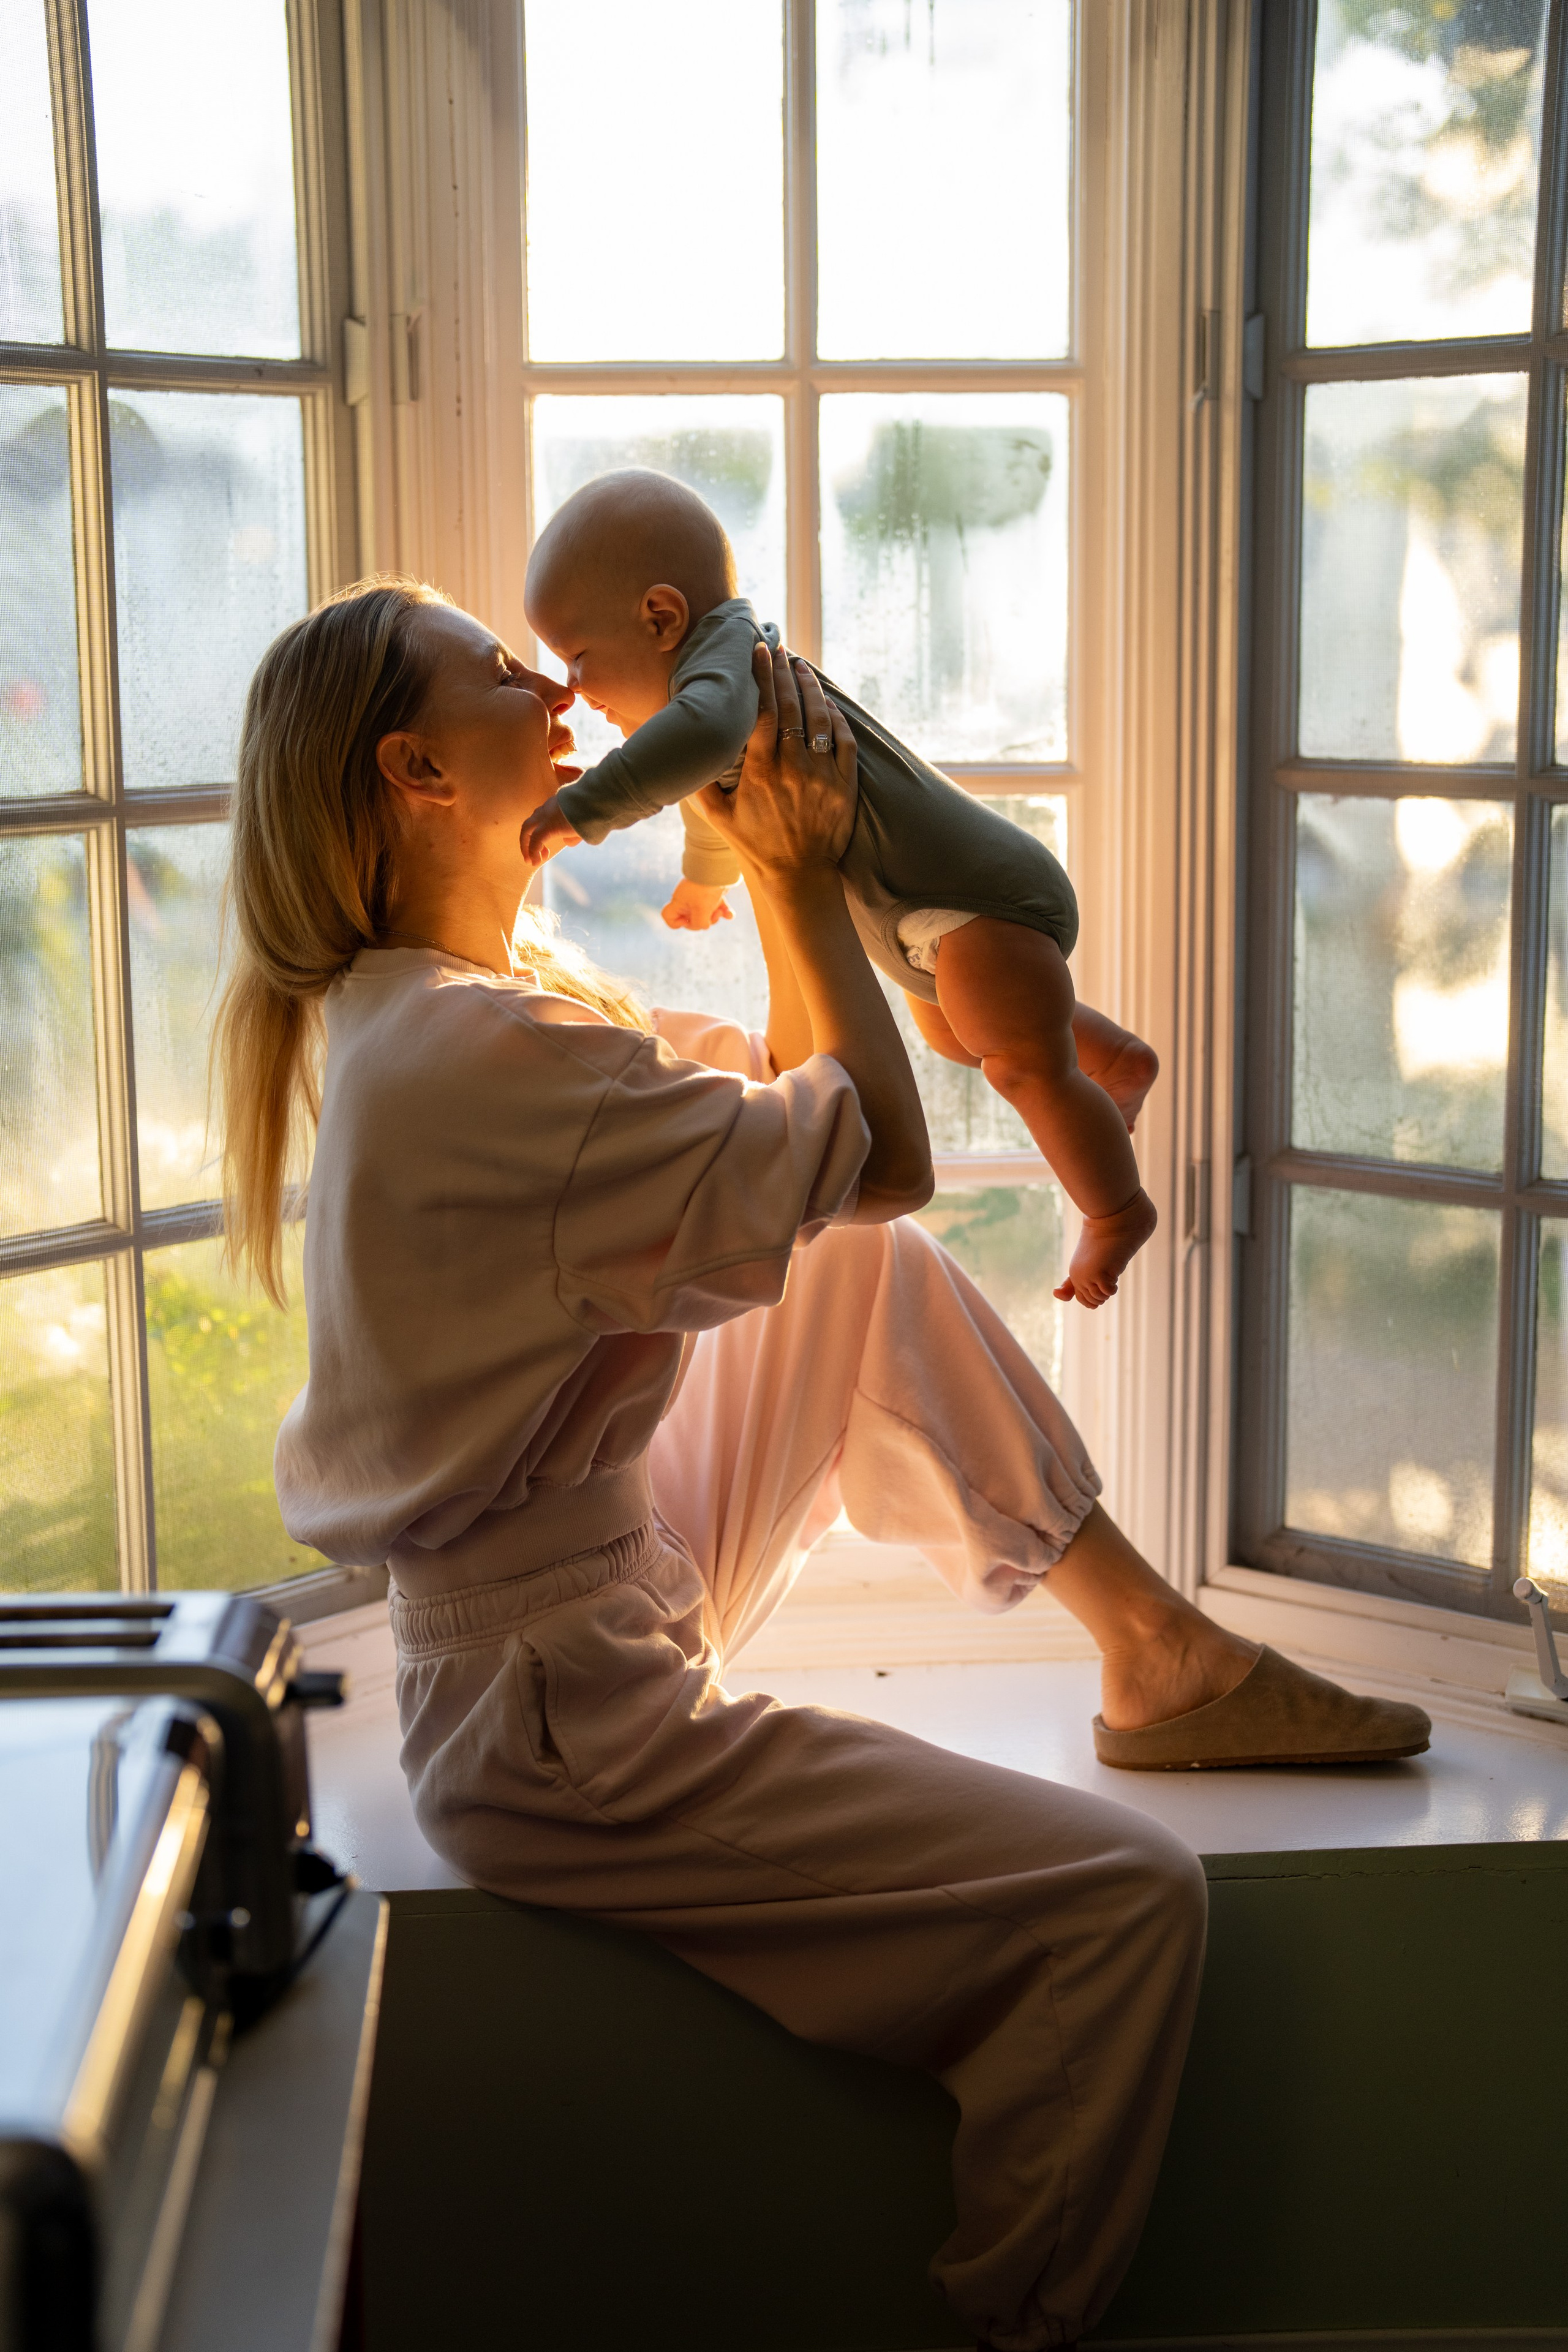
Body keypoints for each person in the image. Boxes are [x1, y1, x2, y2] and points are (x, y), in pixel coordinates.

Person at [217, 576, 1429, 2352]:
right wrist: (790, 870)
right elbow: (885, 1149)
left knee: (849, 1267)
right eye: (497, 671)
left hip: (577, 1599)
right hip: (570, 1734)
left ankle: (1160, 1658)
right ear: (413, 770)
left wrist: (799, 869)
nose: (552, 683)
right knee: (1129, 1908)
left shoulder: (467, 1010)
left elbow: (809, 1129)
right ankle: (1008, 2326)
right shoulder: (478, 1056)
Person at [519, 469, 1159, 1308]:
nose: (575, 692)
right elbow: (715, 794)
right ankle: (1116, 1059)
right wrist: (704, 878)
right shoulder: (722, 686)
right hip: (932, 922)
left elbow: (696, 743)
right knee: (963, 1037)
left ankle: (1118, 1210)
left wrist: (582, 809)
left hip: (974, 903)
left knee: (1019, 1068)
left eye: (577, 657)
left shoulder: (721, 680)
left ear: (660, 617)